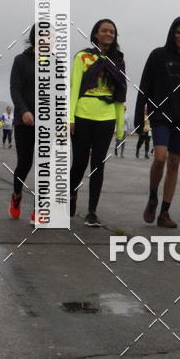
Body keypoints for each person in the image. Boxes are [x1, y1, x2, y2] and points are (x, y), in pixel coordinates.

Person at [135, 16, 180, 228]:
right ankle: (152, 197)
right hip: (160, 117)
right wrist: (140, 118)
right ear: (171, 33)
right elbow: (144, 87)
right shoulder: (157, 55)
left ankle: (164, 212)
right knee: (160, 158)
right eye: (178, 32)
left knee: (174, 164)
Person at [69, 19, 127, 226]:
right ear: (95, 34)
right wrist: (70, 118)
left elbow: (120, 95)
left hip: (107, 117)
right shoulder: (82, 56)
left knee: (98, 165)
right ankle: (72, 196)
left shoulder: (118, 60)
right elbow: (74, 88)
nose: (109, 34)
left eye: (112, 31)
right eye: (104, 31)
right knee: (79, 162)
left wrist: (121, 129)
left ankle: (92, 210)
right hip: (83, 114)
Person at [9, 26, 36, 219]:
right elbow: (15, 88)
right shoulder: (20, 60)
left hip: (47, 122)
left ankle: (40, 207)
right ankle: (17, 194)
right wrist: (24, 110)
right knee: (25, 163)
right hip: (23, 121)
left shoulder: (55, 63)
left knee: (46, 165)